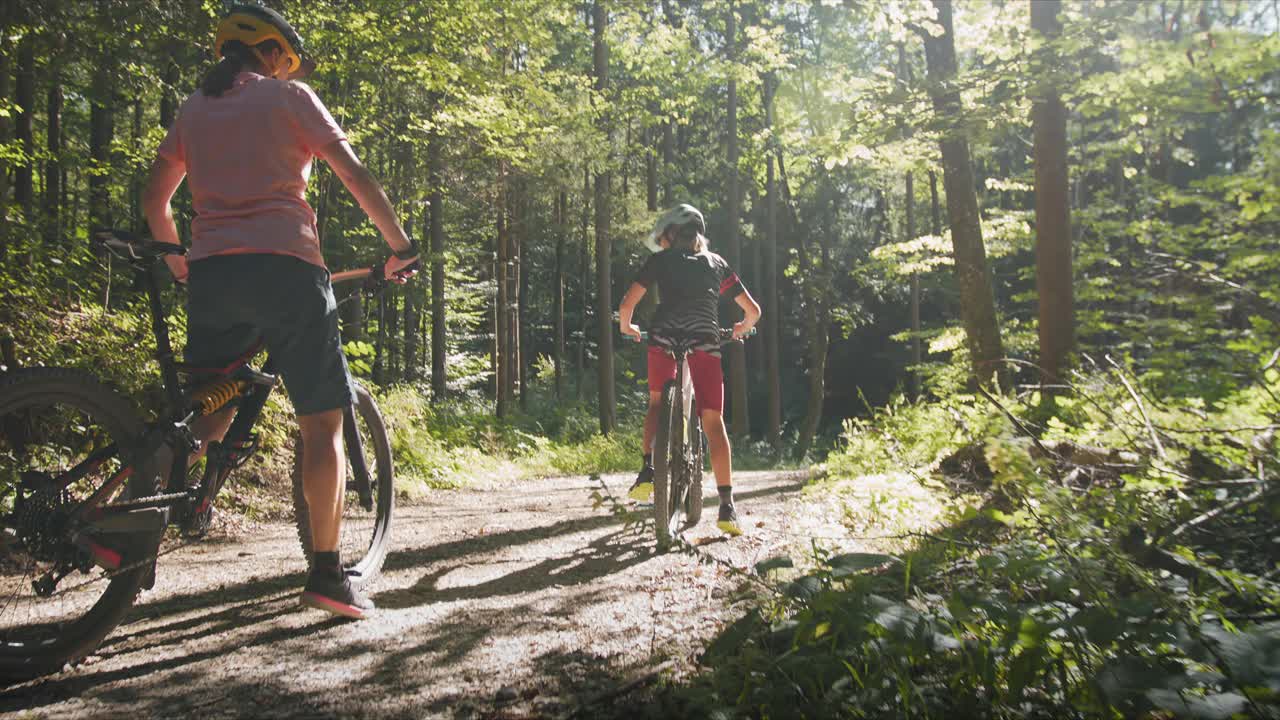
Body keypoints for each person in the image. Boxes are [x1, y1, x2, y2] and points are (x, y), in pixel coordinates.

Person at [142, 4, 417, 619]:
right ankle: (326, 574)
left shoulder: (194, 109)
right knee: (321, 423)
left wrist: (176, 260)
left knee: (204, 415)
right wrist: (400, 246)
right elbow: (355, 175)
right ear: (270, 54)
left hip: (213, 275)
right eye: (282, 59)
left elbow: (154, 196)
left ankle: (130, 527)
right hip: (286, 270)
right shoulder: (291, 98)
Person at [618, 204, 761, 536]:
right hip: (704, 339)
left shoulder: (659, 261)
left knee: (657, 402)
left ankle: (647, 471)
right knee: (712, 420)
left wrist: (628, 326)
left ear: (671, 234)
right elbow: (752, 311)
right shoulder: (716, 263)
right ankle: (727, 507)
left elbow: (627, 304)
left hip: (663, 335)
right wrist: (741, 326)